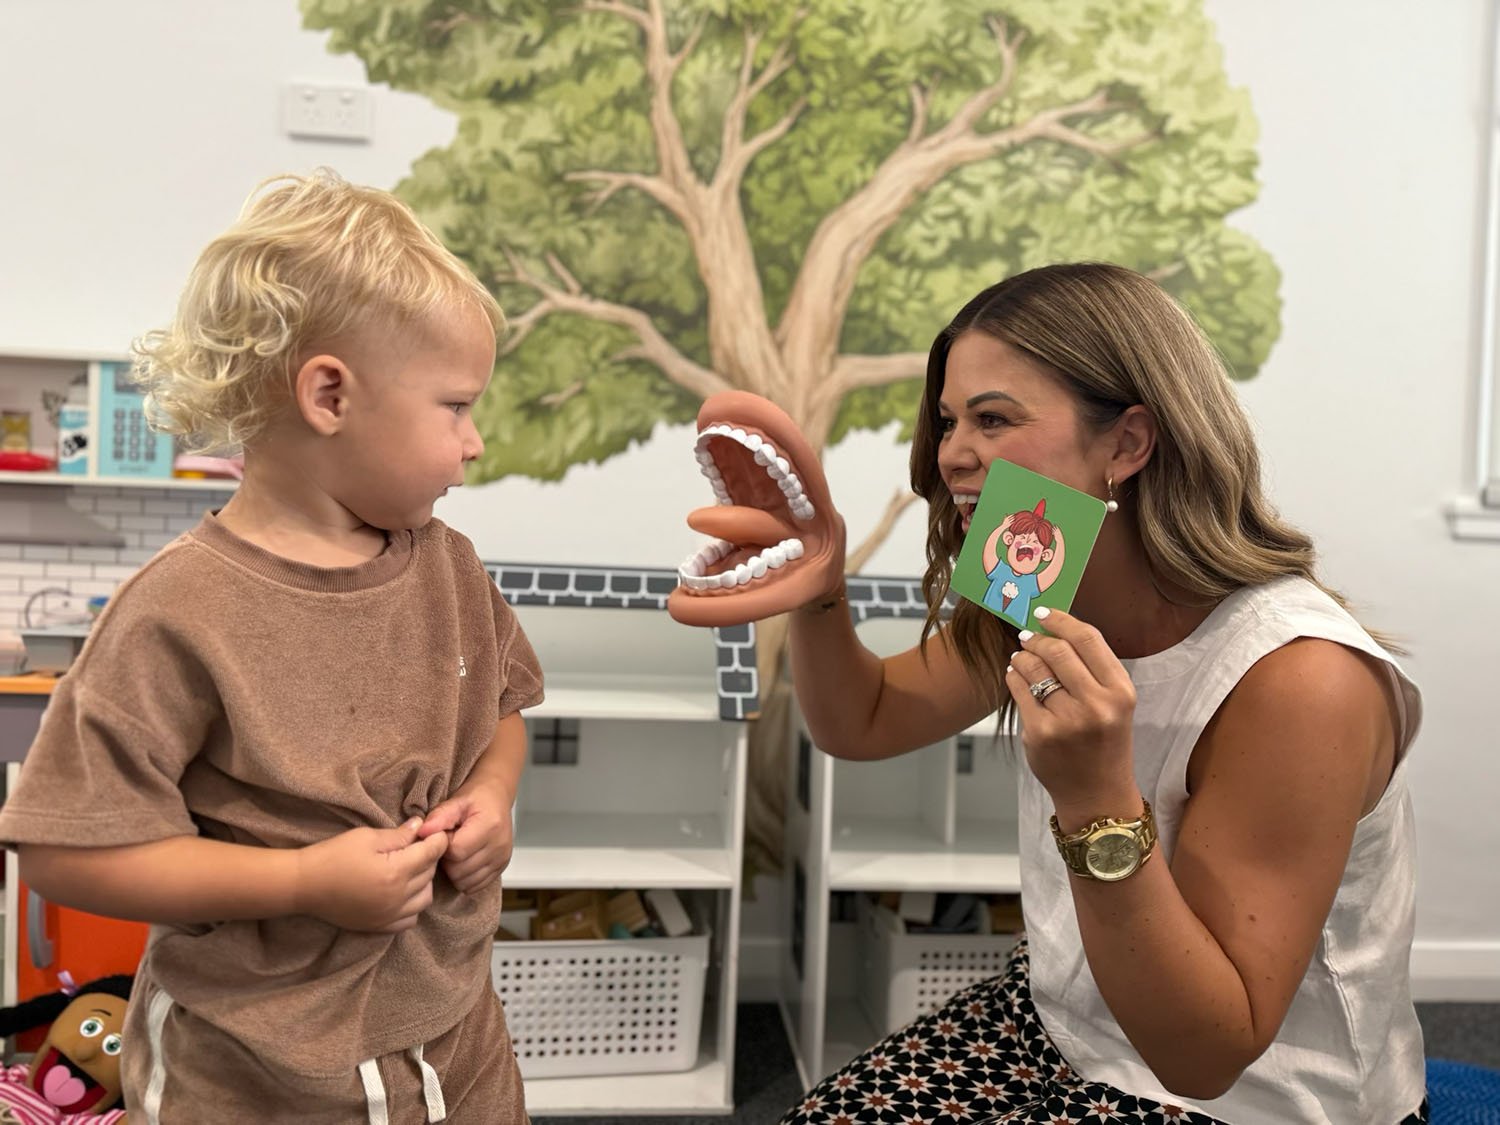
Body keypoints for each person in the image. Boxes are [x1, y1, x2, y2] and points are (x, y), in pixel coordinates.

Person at [673, 263, 1426, 1124]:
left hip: (1254, 1101)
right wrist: (821, 590)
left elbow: (1206, 1054)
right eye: (951, 419)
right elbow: (865, 720)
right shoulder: (1038, 585)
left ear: (1128, 443)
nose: (953, 450)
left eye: (994, 418)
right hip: (1074, 1024)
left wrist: (1096, 799)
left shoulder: (1301, 678)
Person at [0, 170, 543, 1123]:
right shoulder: (176, 610)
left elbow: (503, 712)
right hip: (253, 1077)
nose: (476, 442)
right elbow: (60, 853)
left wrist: (491, 796)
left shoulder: (452, 568)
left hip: (457, 1045)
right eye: (456, 406)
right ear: (329, 394)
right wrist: (302, 882)